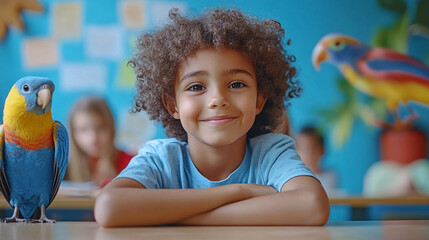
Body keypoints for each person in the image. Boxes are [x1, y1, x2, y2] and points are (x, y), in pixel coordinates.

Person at [95, 8, 329, 227]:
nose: (217, 99)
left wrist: (178, 216)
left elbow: (312, 205)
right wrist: (239, 192)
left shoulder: (271, 153)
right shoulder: (161, 159)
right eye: (196, 87)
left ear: (259, 100)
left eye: (236, 84)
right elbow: (108, 207)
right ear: (172, 105)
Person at [66, 96, 133, 187]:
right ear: (73, 133)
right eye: (83, 130)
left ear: (112, 128)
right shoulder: (64, 169)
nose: (93, 138)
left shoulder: (132, 164)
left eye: (100, 128)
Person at [295, 127, 337, 195]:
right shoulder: (294, 178)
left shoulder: (330, 176)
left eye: (314, 149)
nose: (309, 154)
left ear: (322, 150)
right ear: (296, 151)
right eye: (303, 149)